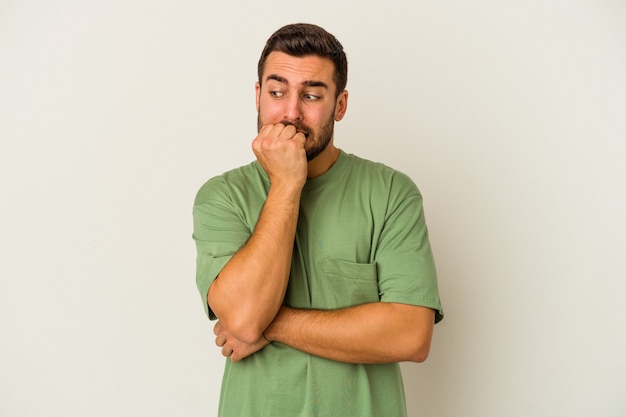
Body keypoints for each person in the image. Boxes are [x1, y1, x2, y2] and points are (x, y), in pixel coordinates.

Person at [193, 23, 444, 417]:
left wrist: (270, 325)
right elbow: (242, 317)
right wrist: (287, 183)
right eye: (277, 93)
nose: (291, 112)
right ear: (258, 96)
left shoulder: (392, 192)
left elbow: (411, 335)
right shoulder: (222, 196)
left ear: (340, 105)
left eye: (311, 95)